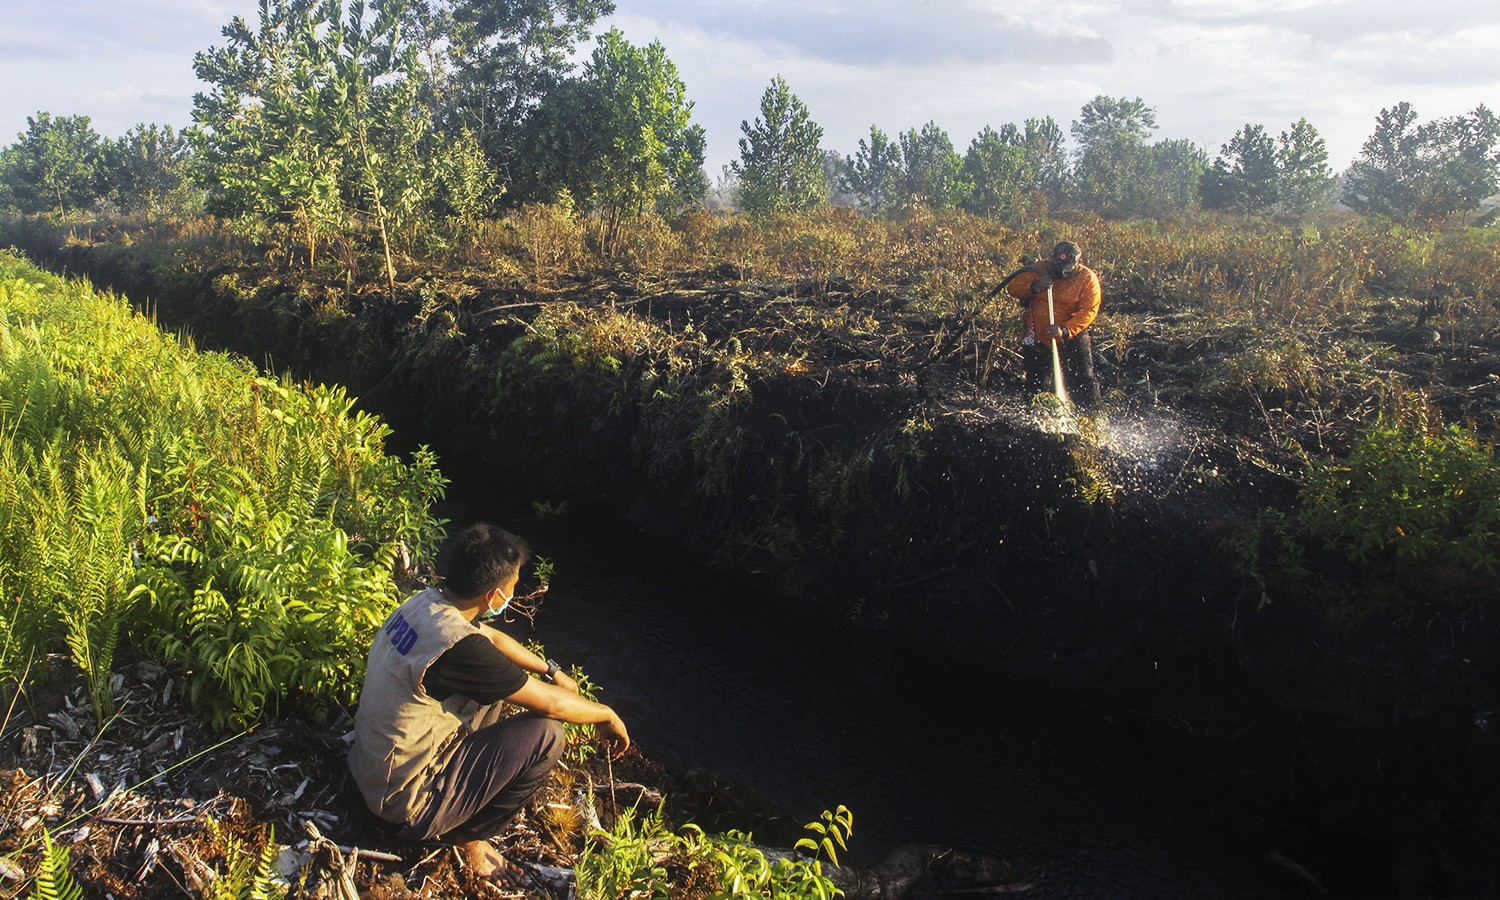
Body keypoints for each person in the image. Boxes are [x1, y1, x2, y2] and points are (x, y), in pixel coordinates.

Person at [348, 523, 630, 884]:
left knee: (498, 683)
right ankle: (470, 837)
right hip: (403, 805)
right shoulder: (460, 648)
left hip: (370, 771)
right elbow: (551, 706)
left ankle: (457, 796)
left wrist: (551, 668)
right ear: (495, 596)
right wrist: (606, 713)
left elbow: (492, 638)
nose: (513, 593)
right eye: (513, 587)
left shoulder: (428, 604)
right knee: (548, 735)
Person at [1004, 240, 1103, 407]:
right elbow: (1013, 287)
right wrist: (1035, 287)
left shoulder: (1087, 279)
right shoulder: (1040, 269)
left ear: (1077, 262)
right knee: (1036, 381)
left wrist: (1065, 330)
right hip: (1039, 335)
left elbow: (1088, 311)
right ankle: (1037, 415)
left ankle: (1091, 416)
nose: (1060, 271)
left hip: (1070, 336)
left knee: (1082, 379)